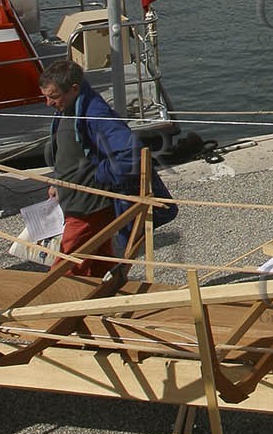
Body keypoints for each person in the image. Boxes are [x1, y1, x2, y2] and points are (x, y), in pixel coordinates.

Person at [40, 60, 174, 279]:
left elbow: (131, 156)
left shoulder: (96, 114)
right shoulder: (67, 107)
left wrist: (97, 176)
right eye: (45, 96)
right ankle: (103, 294)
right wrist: (59, 180)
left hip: (90, 206)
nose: (48, 103)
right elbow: (67, 151)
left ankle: (52, 308)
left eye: (53, 96)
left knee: (65, 268)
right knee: (97, 260)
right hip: (75, 201)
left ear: (74, 88)